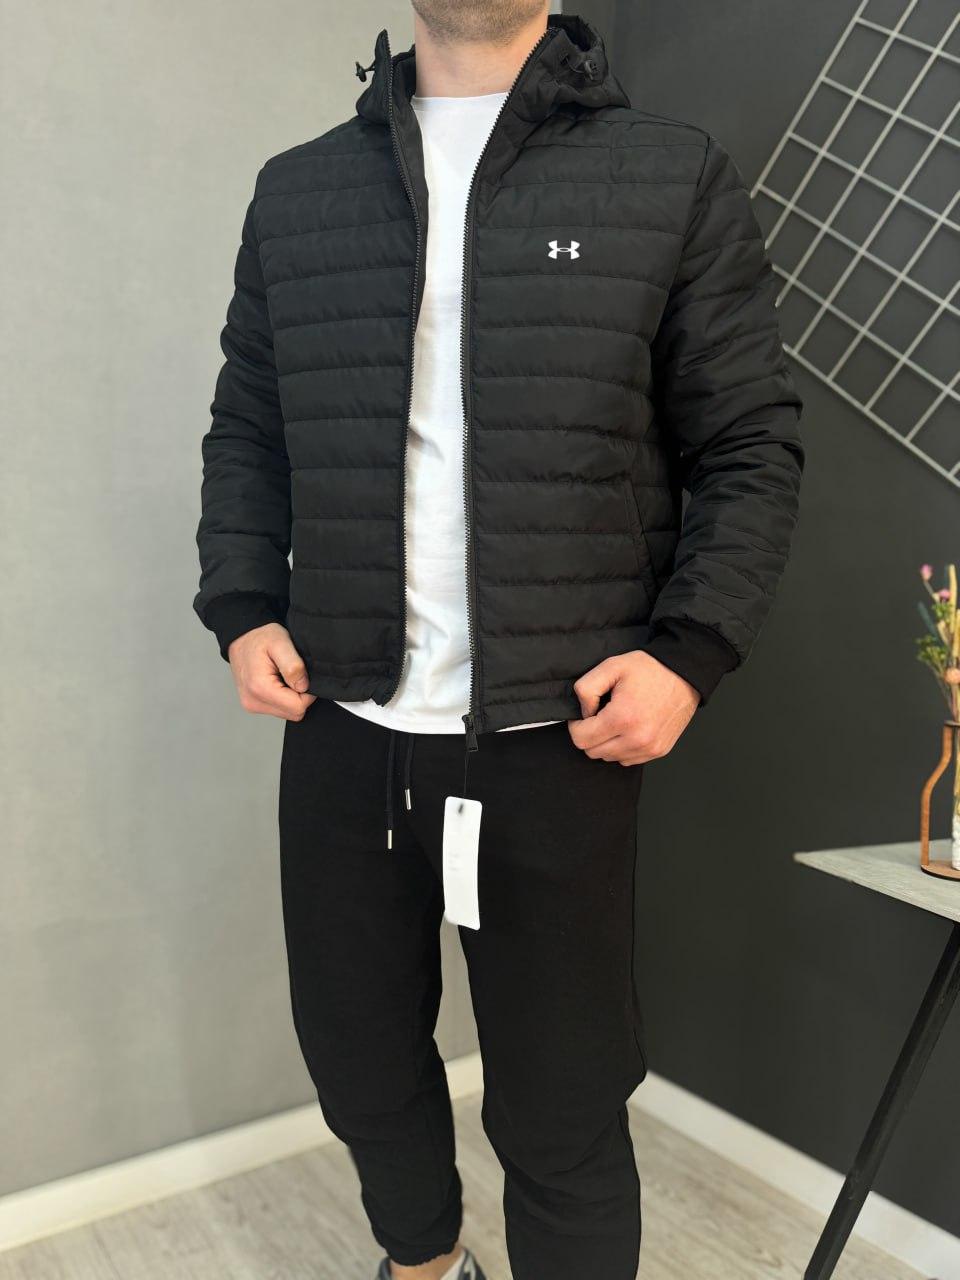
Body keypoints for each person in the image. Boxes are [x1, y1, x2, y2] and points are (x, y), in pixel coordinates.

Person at [193, 2, 804, 1276]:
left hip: (551, 736)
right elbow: (248, 425)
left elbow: (750, 443)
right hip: (346, 723)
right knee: (359, 1065)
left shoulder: (668, 174)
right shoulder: (298, 191)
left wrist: (689, 651)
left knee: (563, 1102)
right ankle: (426, 1265)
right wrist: (243, 605)